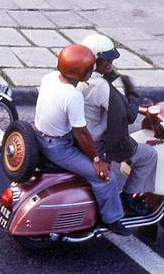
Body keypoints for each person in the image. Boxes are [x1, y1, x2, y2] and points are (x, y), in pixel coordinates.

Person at [34, 44, 129, 235]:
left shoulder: (50, 78)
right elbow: (82, 133)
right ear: (81, 72)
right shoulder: (73, 95)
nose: (92, 70)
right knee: (105, 177)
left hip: (39, 135)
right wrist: (97, 161)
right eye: (89, 68)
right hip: (58, 146)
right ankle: (113, 218)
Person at [79, 34, 158, 215]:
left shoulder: (78, 77)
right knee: (148, 155)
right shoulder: (101, 87)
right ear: (94, 60)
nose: (111, 63)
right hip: (99, 144)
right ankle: (129, 198)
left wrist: (109, 74)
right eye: (106, 60)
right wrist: (132, 93)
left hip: (79, 138)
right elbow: (127, 116)